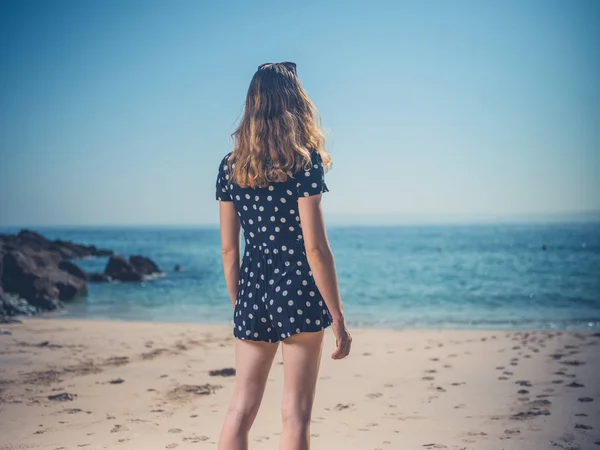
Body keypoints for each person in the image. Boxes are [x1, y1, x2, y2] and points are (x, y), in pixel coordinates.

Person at [215, 61, 351, 450]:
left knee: (240, 409)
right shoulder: (303, 162)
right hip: (299, 290)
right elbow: (315, 248)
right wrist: (337, 317)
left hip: (254, 289)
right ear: (295, 103)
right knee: (295, 414)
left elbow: (228, 249)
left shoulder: (231, 167)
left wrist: (239, 303)